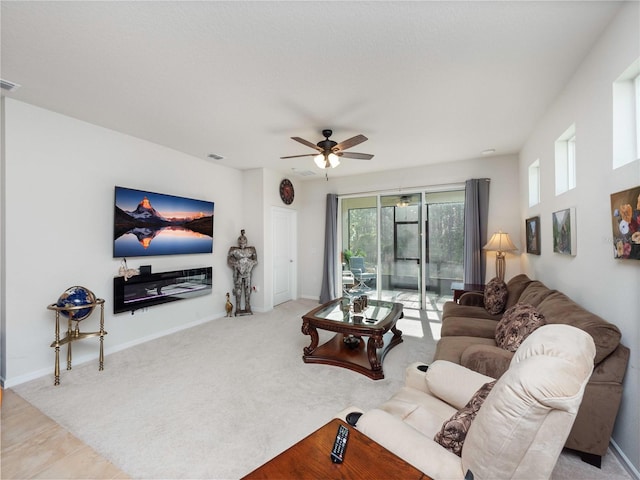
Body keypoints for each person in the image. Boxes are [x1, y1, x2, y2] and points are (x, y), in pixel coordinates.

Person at [227, 230, 258, 315]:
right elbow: (229, 260)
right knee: (238, 290)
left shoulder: (251, 249)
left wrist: (248, 262)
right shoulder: (234, 250)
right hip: (238, 273)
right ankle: (238, 307)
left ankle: (248, 306)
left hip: (248, 272)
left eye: (244, 242)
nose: (242, 244)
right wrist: (237, 263)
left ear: (246, 242)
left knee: (248, 290)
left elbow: (255, 261)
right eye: (240, 242)